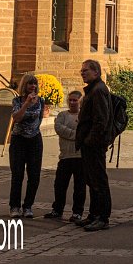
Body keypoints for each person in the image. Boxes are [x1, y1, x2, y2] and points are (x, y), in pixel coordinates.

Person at [76, 59, 113, 231]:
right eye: (82, 70)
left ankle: (102, 217)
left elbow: (101, 119)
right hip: (89, 143)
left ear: (96, 72)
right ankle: (93, 215)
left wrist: (90, 140)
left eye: (86, 70)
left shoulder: (98, 90)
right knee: (91, 180)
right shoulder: (94, 89)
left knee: (99, 181)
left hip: (94, 144)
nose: (82, 73)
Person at [44, 90, 86, 222]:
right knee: (60, 185)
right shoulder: (62, 115)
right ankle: (57, 209)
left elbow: (84, 131)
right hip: (65, 156)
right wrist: (76, 136)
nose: (72, 102)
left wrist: (77, 136)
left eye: (75, 100)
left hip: (80, 156)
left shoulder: (84, 116)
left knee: (79, 187)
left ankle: (77, 212)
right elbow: (59, 128)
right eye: (71, 100)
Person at [9, 73, 44, 218]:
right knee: (17, 175)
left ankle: (28, 206)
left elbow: (40, 118)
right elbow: (16, 118)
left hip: (34, 140)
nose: (33, 86)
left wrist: (33, 130)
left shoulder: (41, 101)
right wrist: (26, 104)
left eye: (35, 84)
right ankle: (15, 206)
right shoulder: (17, 100)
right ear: (25, 85)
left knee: (34, 175)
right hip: (18, 140)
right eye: (30, 84)